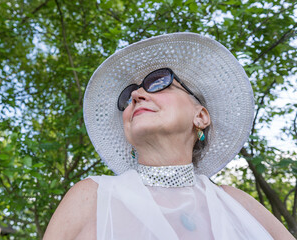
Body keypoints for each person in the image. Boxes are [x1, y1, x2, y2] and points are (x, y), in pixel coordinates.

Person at [43, 33, 294, 239]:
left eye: (159, 82)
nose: (136, 95)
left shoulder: (237, 203)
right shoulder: (91, 197)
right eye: (127, 95)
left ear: (201, 116)